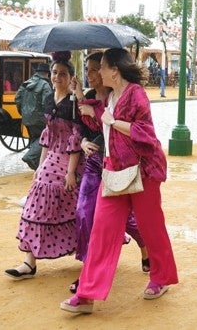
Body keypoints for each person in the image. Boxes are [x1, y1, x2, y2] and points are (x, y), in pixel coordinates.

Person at [60, 48, 178, 314]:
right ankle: (86, 295)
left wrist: (113, 122)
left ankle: (161, 277)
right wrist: (83, 100)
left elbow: (145, 133)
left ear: (115, 69)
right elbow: (100, 116)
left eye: (101, 66)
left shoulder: (136, 93)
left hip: (143, 171)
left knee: (151, 228)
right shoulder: (111, 96)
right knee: (101, 233)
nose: (98, 71)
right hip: (113, 172)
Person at [69, 51, 149, 293]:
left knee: (127, 219)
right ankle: (87, 272)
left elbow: (133, 129)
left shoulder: (123, 95)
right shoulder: (91, 96)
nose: (91, 74)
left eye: (96, 69)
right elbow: (82, 126)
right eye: (90, 70)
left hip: (120, 165)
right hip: (95, 162)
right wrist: (83, 141)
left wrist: (101, 115)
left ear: (112, 70)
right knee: (85, 213)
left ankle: (147, 249)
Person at [5, 52, 84, 280]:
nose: (57, 77)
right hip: (51, 159)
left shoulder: (73, 103)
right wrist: (40, 166)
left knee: (72, 208)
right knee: (35, 205)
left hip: (71, 159)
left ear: (71, 77)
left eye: (63, 73)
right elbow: (48, 135)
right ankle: (29, 261)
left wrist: (70, 172)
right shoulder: (50, 99)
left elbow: (76, 138)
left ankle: (88, 251)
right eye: (54, 73)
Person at [15, 63, 53, 170]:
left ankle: (38, 167)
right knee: (44, 139)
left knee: (34, 139)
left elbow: (17, 99)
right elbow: (48, 104)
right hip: (40, 119)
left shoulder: (26, 83)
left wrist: (23, 113)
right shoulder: (45, 85)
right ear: (47, 74)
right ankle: (30, 157)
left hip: (27, 118)